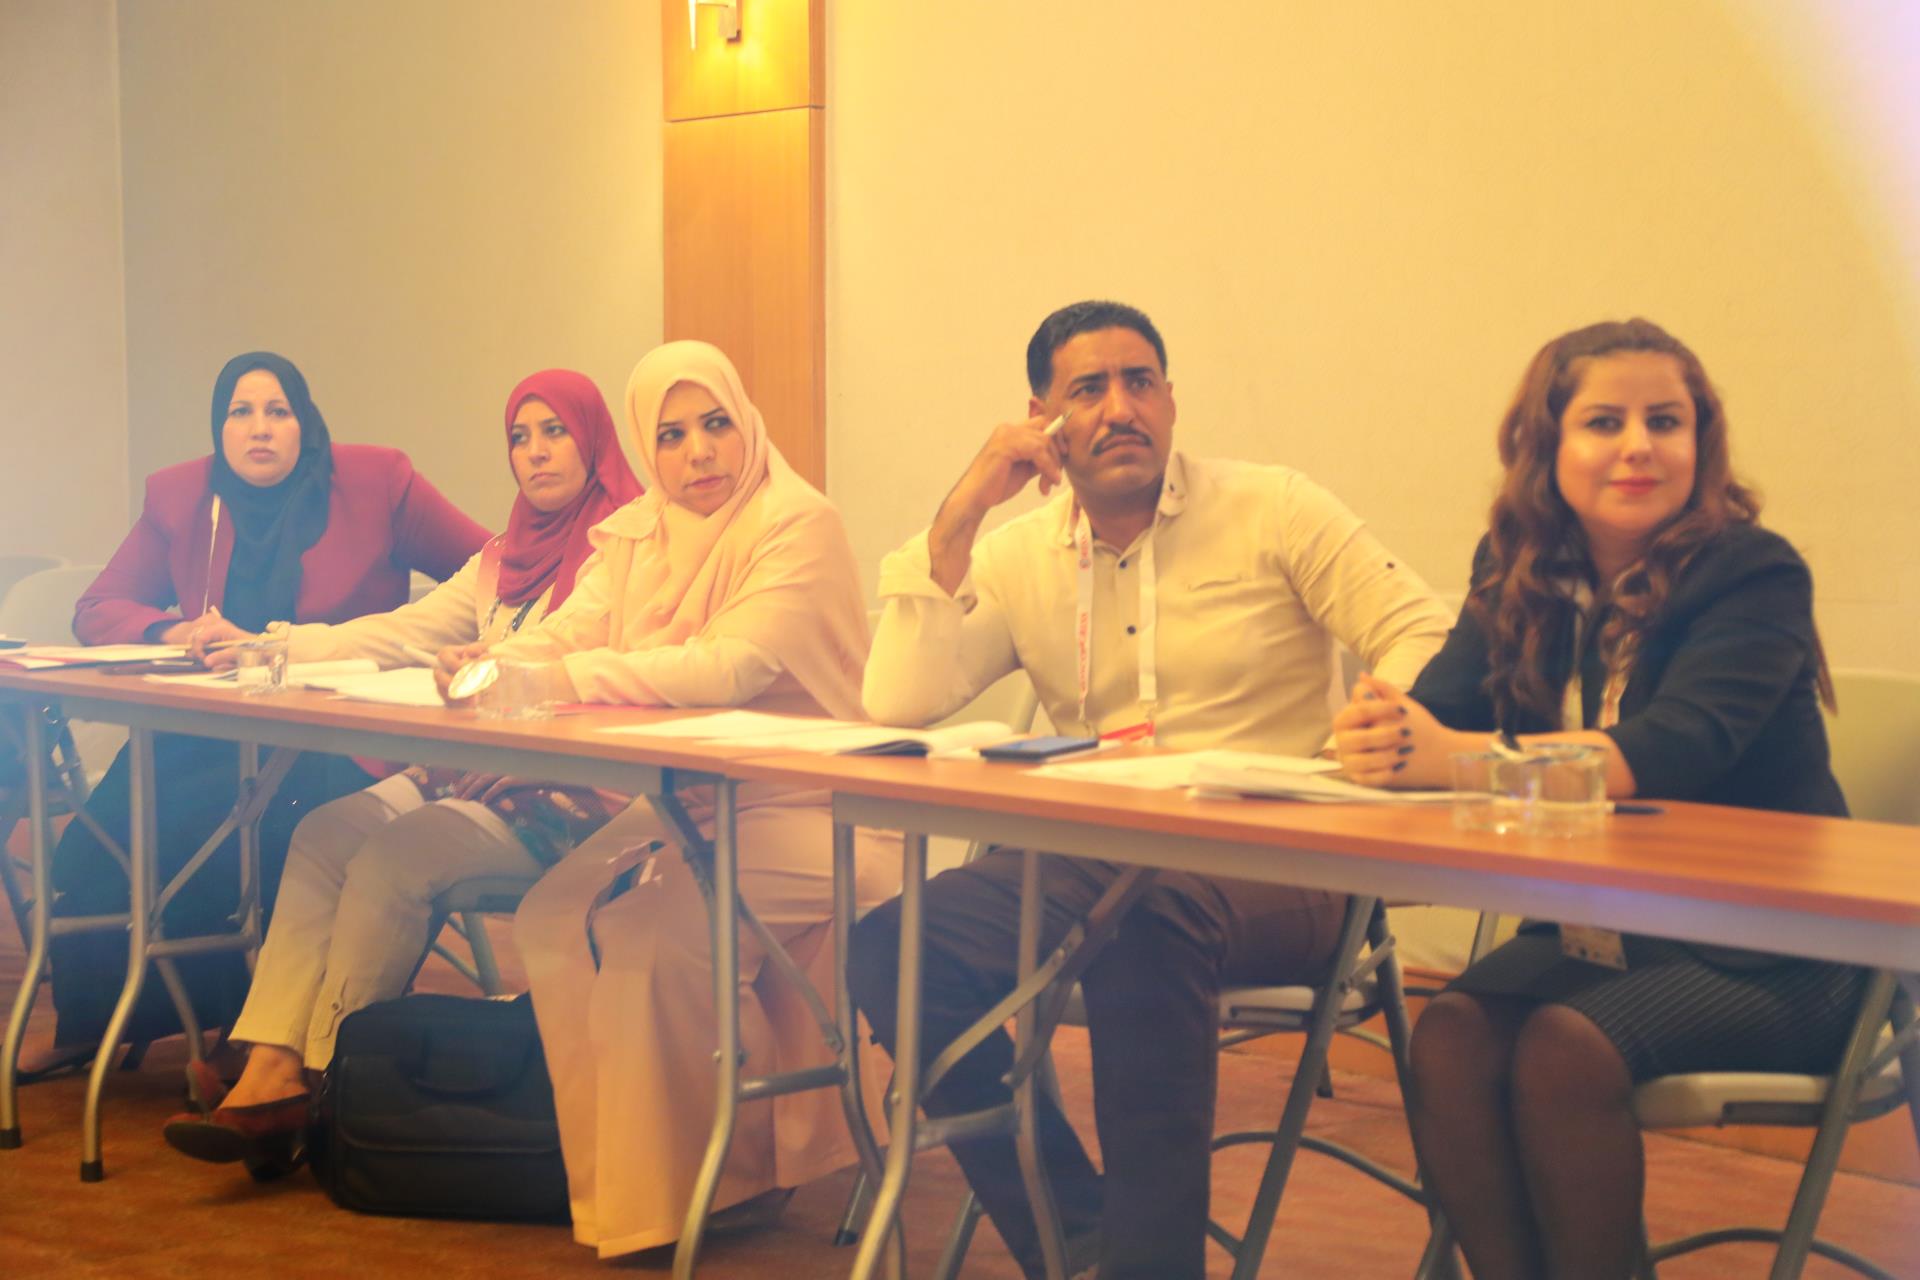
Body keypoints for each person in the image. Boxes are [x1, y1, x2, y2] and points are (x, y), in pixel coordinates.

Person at [849, 300, 1454, 1280]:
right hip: (1098, 857)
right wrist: (964, 511)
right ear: (1041, 419)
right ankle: (1081, 1238)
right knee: (895, 947)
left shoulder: (1273, 507)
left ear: (1171, 400)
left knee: (1146, 917)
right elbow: (900, 699)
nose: (1120, 408)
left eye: (1140, 383)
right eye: (1088, 389)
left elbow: (1422, 628)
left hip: (1283, 861)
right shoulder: (1016, 553)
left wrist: (1373, 731)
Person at [1332, 318, 1864, 1280]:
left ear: (1700, 441)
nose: (1638, 446)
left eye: (1666, 421)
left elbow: (1669, 750)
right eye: (1604, 422)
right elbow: (1441, 713)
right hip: (1605, 933)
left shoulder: (1754, 572)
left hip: (1782, 946)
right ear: (1547, 445)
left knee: (1563, 1049)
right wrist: (1383, 729)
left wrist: (1448, 758)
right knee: (1449, 1036)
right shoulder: (1517, 570)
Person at [159, 368, 641, 1167]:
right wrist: (267, 644)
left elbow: (568, 650)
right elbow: (397, 630)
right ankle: (273, 1063)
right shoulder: (504, 557)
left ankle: (333, 1084)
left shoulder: (625, 549)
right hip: (473, 776)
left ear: (592, 441)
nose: (535, 453)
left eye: (555, 432)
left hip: (572, 796)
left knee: (393, 856)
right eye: (519, 437)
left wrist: (487, 666)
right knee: (325, 832)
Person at [480, 341, 897, 1257]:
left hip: (821, 811)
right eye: (670, 436)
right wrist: (487, 664)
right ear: (645, 446)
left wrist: (556, 678)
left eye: (714, 424)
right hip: (692, 806)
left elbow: (728, 666)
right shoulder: (639, 533)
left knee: (650, 936)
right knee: (553, 916)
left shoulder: (798, 523)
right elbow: (566, 632)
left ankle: (725, 1174)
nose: (698, 452)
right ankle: (623, 1184)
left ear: (745, 422)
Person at [32, 352, 488, 1080]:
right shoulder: (183, 495)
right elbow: (98, 607)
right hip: (209, 731)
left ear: (306, 423)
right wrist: (174, 629)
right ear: (219, 429)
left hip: (335, 736)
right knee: (112, 830)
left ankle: (248, 1029)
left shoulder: (378, 483)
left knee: (263, 826)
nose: (260, 429)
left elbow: (494, 571)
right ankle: (96, 1022)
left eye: (278, 411)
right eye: (239, 413)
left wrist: (430, 645)